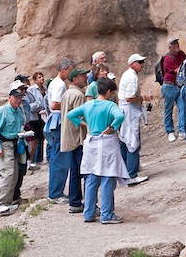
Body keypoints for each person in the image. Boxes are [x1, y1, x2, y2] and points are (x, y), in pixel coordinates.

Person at [66, 77, 128, 224]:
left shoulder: (88, 105)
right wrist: (112, 127)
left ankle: (89, 213)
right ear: (108, 92)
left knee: (91, 178)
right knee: (107, 178)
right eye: (112, 92)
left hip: (91, 143)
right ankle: (107, 214)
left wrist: (83, 124)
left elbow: (70, 115)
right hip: (106, 143)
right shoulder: (110, 105)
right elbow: (120, 116)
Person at [118, 54, 153, 185]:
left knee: (124, 139)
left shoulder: (128, 75)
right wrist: (143, 98)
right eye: (140, 62)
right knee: (132, 140)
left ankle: (125, 170)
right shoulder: (132, 77)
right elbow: (130, 97)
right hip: (129, 111)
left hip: (125, 110)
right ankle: (131, 174)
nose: (142, 64)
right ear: (133, 63)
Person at [0, 86, 25, 214]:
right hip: (5, 145)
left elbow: (21, 125)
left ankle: (8, 202)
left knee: (14, 174)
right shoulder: (3, 111)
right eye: (16, 97)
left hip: (16, 143)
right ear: (9, 97)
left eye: (20, 98)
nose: (18, 100)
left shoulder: (19, 111)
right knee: (7, 173)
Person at [45, 58, 75, 203]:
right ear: (63, 69)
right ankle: (55, 193)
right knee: (60, 158)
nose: (70, 74)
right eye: (69, 70)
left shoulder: (56, 83)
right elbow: (54, 104)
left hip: (55, 121)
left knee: (59, 158)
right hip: (58, 121)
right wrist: (70, 105)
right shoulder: (59, 84)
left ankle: (57, 191)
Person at [61, 66, 89, 213]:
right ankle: (84, 203)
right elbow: (81, 116)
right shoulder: (78, 95)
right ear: (74, 79)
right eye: (82, 76)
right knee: (83, 170)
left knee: (74, 170)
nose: (85, 78)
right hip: (78, 137)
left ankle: (74, 201)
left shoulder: (67, 93)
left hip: (69, 137)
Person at [161, 37, 186, 142]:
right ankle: (170, 131)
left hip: (178, 85)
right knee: (168, 109)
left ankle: (182, 130)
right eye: (174, 44)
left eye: (177, 43)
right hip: (169, 86)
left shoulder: (181, 54)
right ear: (169, 46)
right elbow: (178, 70)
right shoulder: (168, 58)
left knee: (183, 107)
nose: (176, 45)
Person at [26, 72, 46, 168]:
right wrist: (39, 105)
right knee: (34, 138)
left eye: (42, 76)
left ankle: (39, 158)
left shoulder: (45, 89)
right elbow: (29, 105)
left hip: (43, 115)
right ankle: (32, 159)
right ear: (35, 80)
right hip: (34, 116)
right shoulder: (31, 90)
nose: (41, 78)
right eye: (39, 77)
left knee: (41, 137)